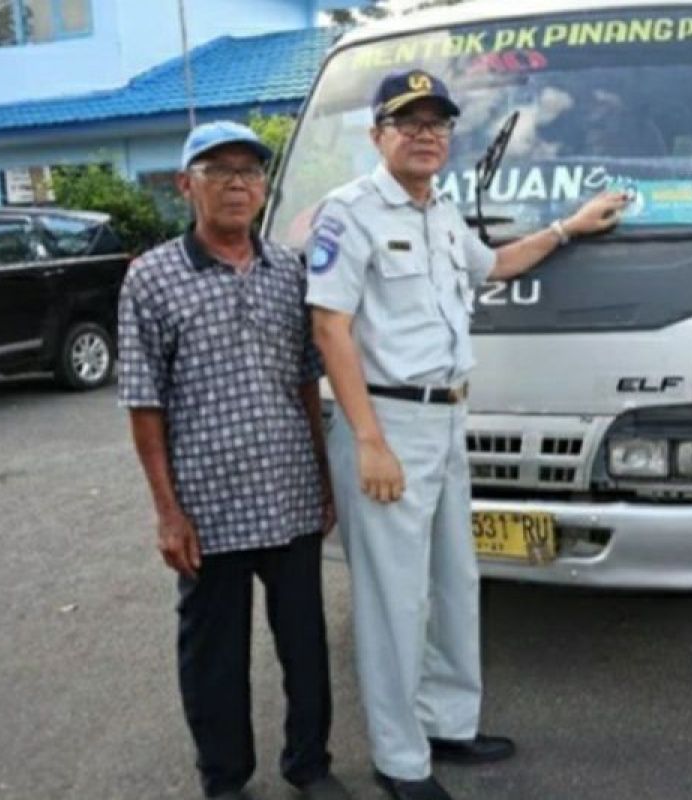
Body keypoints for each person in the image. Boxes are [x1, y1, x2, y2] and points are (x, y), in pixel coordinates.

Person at [306, 70, 628, 800]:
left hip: (450, 420)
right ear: (377, 136)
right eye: (407, 121)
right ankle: (400, 760)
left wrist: (569, 226)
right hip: (386, 421)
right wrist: (368, 440)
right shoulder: (348, 213)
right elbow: (330, 326)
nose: (425, 134)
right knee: (394, 602)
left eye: (437, 123)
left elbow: (499, 264)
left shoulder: (443, 214)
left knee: (455, 581)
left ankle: (447, 723)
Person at [118, 120, 347, 800]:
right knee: (213, 657)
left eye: (250, 170)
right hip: (207, 508)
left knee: (305, 647)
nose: (238, 183)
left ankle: (309, 763)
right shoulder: (153, 279)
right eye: (219, 171)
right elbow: (143, 402)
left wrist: (324, 478)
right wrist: (167, 512)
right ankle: (225, 778)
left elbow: (307, 380)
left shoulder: (288, 272)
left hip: (290, 496)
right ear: (187, 185)